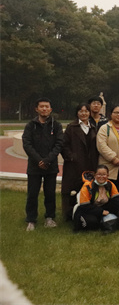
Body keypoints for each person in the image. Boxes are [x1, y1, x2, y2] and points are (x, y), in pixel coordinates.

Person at [23, 97, 64, 231]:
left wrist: (47, 160)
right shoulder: (30, 125)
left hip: (51, 166)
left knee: (50, 193)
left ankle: (50, 217)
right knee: (32, 194)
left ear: (51, 109)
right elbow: (27, 144)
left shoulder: (56, 125)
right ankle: (31, 220)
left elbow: (59, 144)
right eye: (42, 106)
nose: (44, 109)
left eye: (47, 106)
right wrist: (38, 160)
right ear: (37, 109)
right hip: (34, 166)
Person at [61, 103, 98, 221]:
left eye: (86, 111)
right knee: (71, 190)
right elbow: (64, 145)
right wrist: (71, 157)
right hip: (74, 165)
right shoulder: (71, 127)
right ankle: (69, 215)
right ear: (77, 113)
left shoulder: (93, 127)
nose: (84, 113)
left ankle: (86, 214)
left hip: (90, 164)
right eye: (81, 111)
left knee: (87, 189)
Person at [73, 165, 119, 232]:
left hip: (103, 207)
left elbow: (118, 200)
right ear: (95, 175)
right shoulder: (87, 186)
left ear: (107, 176)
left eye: (104, 174)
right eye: (99, 174)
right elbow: (84, 206)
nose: (101, 177)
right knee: (92, 222)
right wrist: (101, 212)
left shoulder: (110, 184)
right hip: (87, 209)